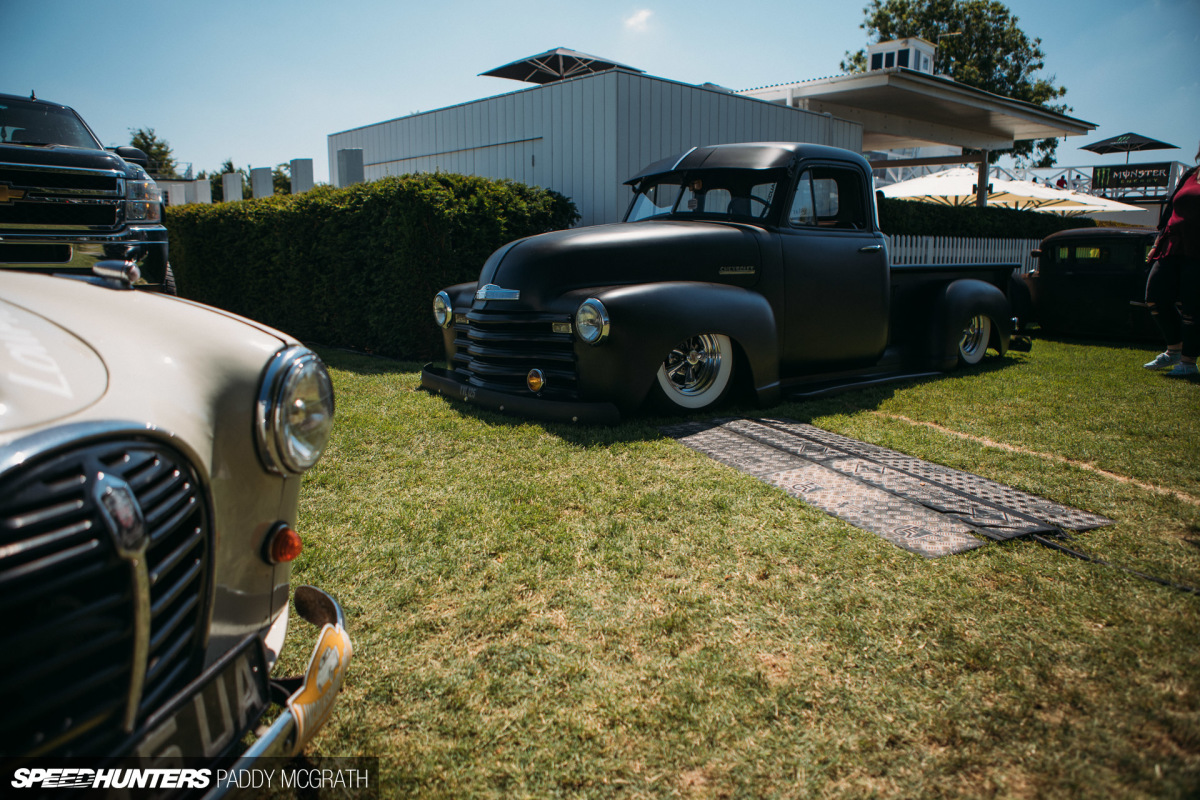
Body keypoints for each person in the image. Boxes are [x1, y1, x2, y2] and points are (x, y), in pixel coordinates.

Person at [1143, 142, 1200, 377]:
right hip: (1172, 245)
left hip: (1198, 251)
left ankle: (1188, 362)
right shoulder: (1190, 174)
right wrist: (1157, 242)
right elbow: (1170, 211)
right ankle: (1174, 349)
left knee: (1193, 307)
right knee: (1154, 295)